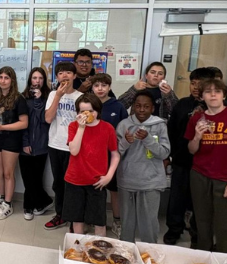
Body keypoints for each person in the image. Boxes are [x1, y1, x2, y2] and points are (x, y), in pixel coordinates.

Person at [185, 78, 227, 253]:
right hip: (200, 175)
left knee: (224, 227)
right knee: (202, 223)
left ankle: (224, 261)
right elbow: (192, 150)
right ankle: (204, 260)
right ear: (202, 97)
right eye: (208, 92)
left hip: (226, 177)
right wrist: (197, 136)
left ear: (224, 95)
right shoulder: (197, 119)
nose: (213, 95)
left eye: (217, 91)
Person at [163, 67, 212, 245]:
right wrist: (169, 156)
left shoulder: (215, 106)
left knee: (200, 201)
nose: (195, 87)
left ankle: (197, 234)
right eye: (193, 83)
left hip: (205, 162)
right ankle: (174, 229)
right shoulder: (182, 104)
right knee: (177, 198)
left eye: (200, 84)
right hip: (182, 159)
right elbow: (172, 131)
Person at [116, 93, 170, 243]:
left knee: (149, 223)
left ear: (152, 108)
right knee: (127, 223)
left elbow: (164, 153)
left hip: (150, 182)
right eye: (138, 106)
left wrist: (148, 139)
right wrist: (126, 142)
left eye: (146, 107)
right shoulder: (124, 125)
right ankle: (126, 252)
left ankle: (150, 252)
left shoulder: (159, 125)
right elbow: (116, 153)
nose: (141, 110)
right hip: (127, 180)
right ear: (133, 107)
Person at [63, 94, 120, 236]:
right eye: (83, 111)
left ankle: (99, 246)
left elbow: (115, 154)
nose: (87, 114)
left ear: (98, 111)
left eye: (91, 111)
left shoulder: (107, 128)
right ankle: (77, 246)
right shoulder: (73, 126)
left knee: (99, 221)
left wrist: (109, 176)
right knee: (77, 220)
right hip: (75, 180)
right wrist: (81, 128)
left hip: (97, 182)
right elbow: (74, 151)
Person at [0, 66, 29, 220]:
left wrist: (3, 127)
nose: (3, 81)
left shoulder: (18, 98)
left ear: (12, 80)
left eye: (6, 78)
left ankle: (8, 204)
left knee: (8, 173)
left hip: (11, 139)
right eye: (1, 77)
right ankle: (1, 196)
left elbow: (24, 123)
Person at [43, 61, 82, 230]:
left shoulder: (80, 97)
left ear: (74, 76)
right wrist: (58, 96)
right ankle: (60, 215)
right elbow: (48, 118)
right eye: (60, 73)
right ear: (57, 77)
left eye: (68, 72)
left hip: (73, 147)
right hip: (55, 144)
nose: (64, 75)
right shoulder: (53, 95)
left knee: (73, 184)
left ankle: (74, 217)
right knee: (58, 183)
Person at [91, 73, 128, 238]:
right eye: (96, 85)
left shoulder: (117, 106)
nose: (100, 89)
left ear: (109, 87)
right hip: (92, 156)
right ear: (92, 88)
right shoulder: (89, 105)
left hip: (112, 155)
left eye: (104, 85)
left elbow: (124, 130)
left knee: (114, 190)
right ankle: (94, 220)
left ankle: (117, 221)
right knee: (94, 189)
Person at [19, 67, 53, 221]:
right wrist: (25, 142)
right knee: (28, 178)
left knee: (37, 178)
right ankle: (36, 204)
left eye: (40, 78)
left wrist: (39, 100)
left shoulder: (49, 98)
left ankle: (34, 205)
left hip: (42, 145)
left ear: (44, 81)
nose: (37, 81)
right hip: (25, 144)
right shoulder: (23, 98)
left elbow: (44, 120)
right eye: (34, 78)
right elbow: (22, 122)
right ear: (30, 80)